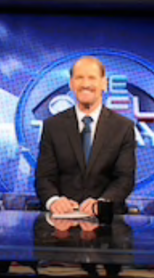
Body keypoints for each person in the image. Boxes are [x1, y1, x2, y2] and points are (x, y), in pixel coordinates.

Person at [35, 56, 136, 215]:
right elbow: (44, 177)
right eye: (79, 78)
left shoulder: (123, 128)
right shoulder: (52, 126)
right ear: (72, 84)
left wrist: (102, 203)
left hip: (106, 220)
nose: (85, 84)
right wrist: (54, 200)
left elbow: (125, 179)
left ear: (104, 84)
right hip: (61, 219)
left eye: (92, 78)